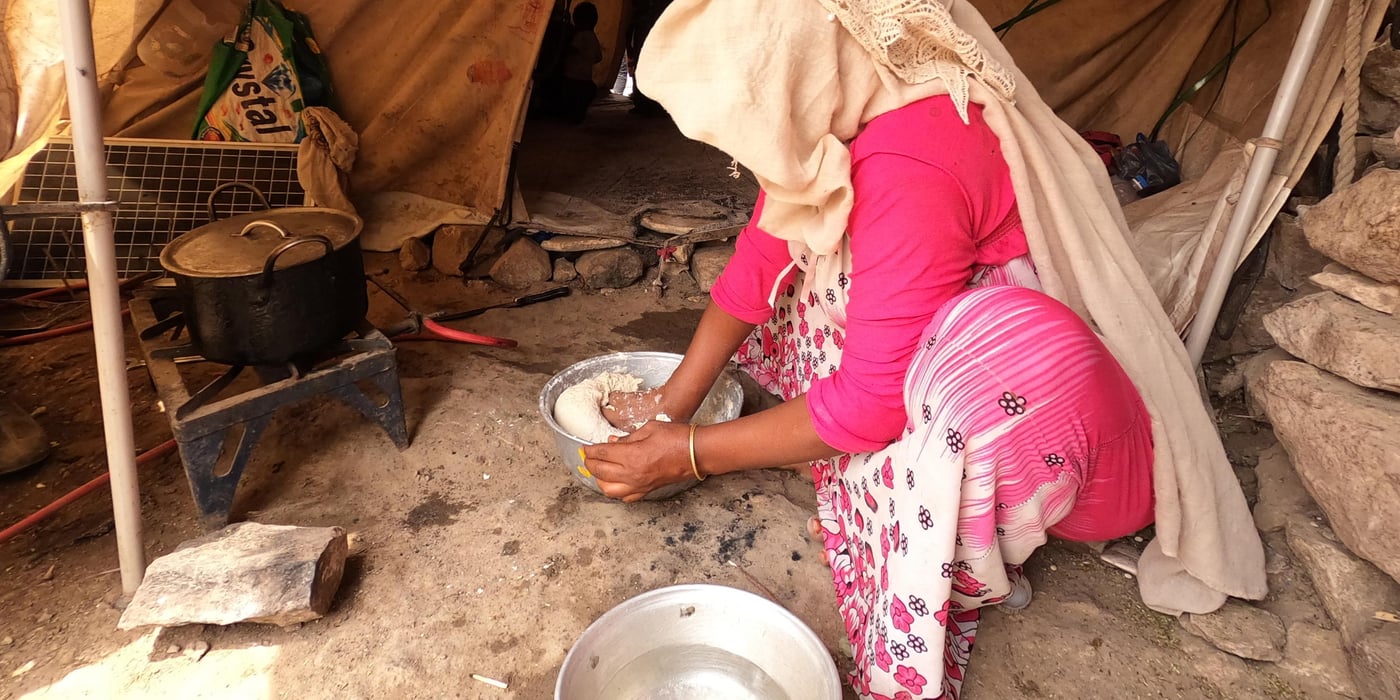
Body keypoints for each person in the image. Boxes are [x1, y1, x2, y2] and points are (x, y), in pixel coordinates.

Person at [582, 1, 1265, 698]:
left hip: (1079, 464)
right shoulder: (853, 100)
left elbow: (872, 406)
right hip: (945, 368)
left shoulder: (914, 156)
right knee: (808, 265)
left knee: (988, 365)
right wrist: (676, 404)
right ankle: (883, 465)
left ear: (790, 79)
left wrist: (693, 454)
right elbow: (763, 255)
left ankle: (967, 566)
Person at [559, 2, 603, 124]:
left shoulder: (581, 36)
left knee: (571, 98)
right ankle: (578, 115)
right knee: (581, 99)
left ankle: (571, 116)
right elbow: (599, 57)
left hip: (572, 76)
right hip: (585, 78)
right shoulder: (593, 37)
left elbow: (571, 49)